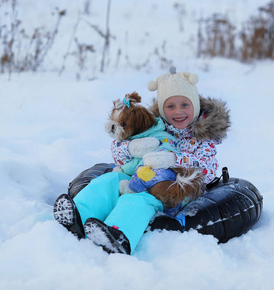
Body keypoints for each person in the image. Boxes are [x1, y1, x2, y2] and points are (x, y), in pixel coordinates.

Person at [53, 67, 230, 255]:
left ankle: (119, 235)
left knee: (139, 199)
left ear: (195, 105)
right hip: (141, 176)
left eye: (184, 105)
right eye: (170, 106)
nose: (178, 112)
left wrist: (173, 160)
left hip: (174, 190)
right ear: (162, 109)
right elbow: (118, 148)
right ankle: (79, 214)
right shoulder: (155, 126)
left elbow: (207, 170)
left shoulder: (203, 137)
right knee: (111, 180)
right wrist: (131, 149)